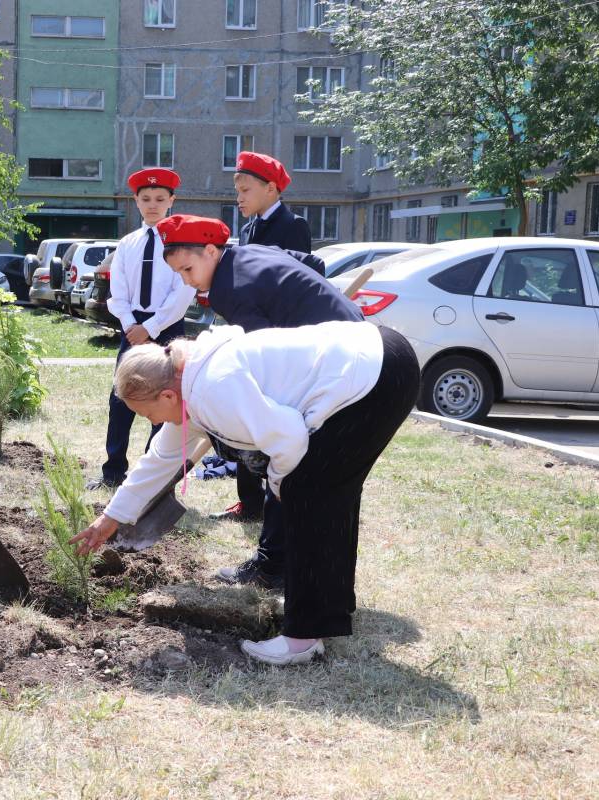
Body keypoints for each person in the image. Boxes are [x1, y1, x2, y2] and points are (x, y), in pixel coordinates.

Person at [70, 319, 420, 666]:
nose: (155, 422)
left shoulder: (212, 390)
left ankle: (303, 638)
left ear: (166, 395)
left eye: (148, 414)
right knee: (327, 494)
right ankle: (326, 607)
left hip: (373, 378)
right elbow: (160, 459)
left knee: (308, 494)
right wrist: (109, 518)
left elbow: (289, 439)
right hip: (378, 355)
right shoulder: (189, 378)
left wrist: (282, 484)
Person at [152, 214, 362, 591]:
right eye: (179, 274)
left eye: (188, 268)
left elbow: (259, 360)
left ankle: (272, 567)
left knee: (283, 463)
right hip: (350, 348)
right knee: (298, 466)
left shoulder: (231, 287)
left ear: (212, 251)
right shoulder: (249, 255)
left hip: (335, 370)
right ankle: (287, 565)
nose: (187, 280)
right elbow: (312, 264)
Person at [216, 151, 320, 526]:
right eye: (237, 190)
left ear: (271, 189)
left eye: (246, 190)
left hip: (280, 335)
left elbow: (294, 284)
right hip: (250, 332)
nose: (239, 198)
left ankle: (275, 498)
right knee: (246, 413)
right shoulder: (246, 230)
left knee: (272, 416)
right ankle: (248, 502)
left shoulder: (294, 226)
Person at [86, 167, 196, 490]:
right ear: (136, 201)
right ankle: (113, 471)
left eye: (160, 199)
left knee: (166, 399)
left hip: (167, 327)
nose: (152, 205)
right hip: (131, 328)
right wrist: (132, 326)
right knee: (121, 398)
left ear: (171, 201)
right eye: (146, 199)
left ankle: (155, 476)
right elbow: (116, 295)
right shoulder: (128, 244)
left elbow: (182, 294)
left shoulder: (180, 245)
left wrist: (150, 327)